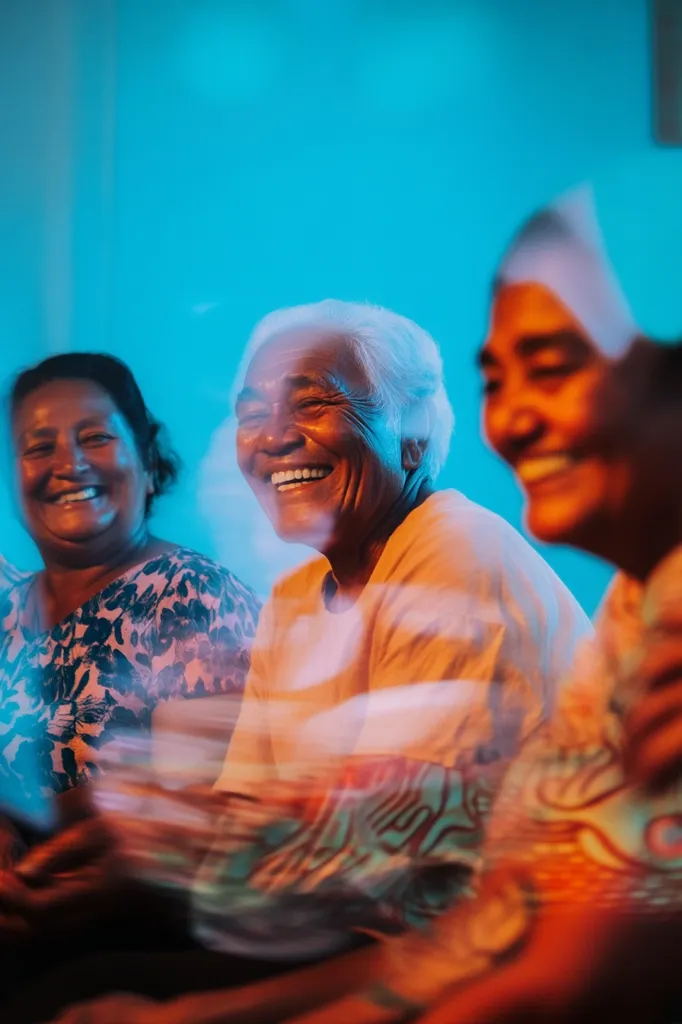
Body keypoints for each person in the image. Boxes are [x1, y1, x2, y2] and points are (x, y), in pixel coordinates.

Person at [33, 301, 592, 1022]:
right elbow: (244, 823)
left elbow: (397, 893)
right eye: (251, 412)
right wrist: (79, 875)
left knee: (73, 989)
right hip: (349, 929)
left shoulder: (453, 554)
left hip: (477, 963)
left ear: (412, 440)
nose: (271, 437)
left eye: (314, 402)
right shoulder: (299, 597)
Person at [272, 156, 682, 1022]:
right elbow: (509, 921)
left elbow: (556, 967)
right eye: (497, 379)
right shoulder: (639, 608)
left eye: (556, 363)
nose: (513, 418)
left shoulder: (457, 553)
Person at [0, 353, 260, 986]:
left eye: (95, 436)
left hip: (127, 943)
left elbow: (184, 798)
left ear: (148, 462)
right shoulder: (7, 604)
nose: (69, 463)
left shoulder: (193, 595)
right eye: (40, 447)